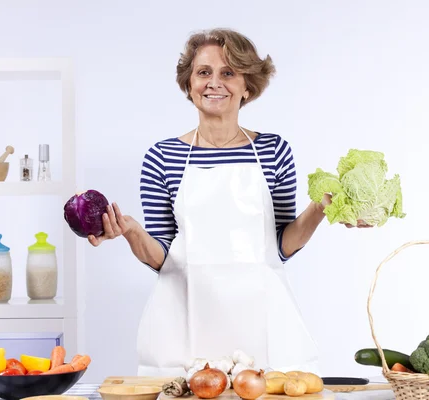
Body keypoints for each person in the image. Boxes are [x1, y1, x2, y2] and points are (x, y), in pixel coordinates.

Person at [88, 28, 370, 377]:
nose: (214, 83)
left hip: (262, 322)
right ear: (189, 84)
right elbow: (160, 257)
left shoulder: (273, 151)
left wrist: (321, 208)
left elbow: (282, 246)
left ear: (247, 86)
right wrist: (131, 231)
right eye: (203, 72)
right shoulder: (162, 157)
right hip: (183, 324)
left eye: (228, 73)